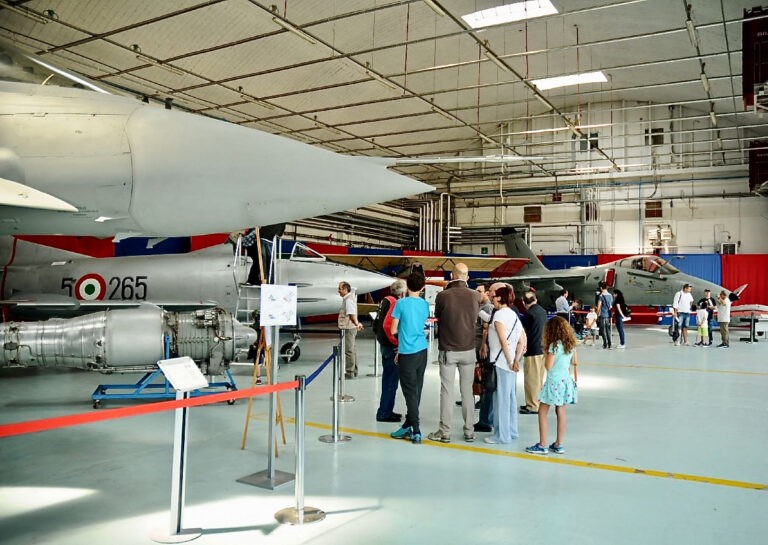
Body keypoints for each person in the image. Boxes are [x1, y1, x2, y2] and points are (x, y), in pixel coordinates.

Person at [428, 263, 482, 444]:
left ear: (452, 276)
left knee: (447, 391)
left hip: (448, 350)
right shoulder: (475, 295)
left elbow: (438, 316)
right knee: (467, 392)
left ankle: (445, 432)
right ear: (467, 277)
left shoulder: (443, 296)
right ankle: (469, 431)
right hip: (468, 350)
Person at [525, 316, 578, 455]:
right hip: (565, 380)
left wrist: (546, 355)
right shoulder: (570, 345)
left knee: (542, 412)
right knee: (561, 411)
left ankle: (542, 444)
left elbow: (548, 366)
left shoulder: (554, 346)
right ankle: (559, 444)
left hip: (553, 381)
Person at [389, 272, 431, 444]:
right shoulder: (425, 304)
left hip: (408, 353)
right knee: (417, 390)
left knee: (409, 392)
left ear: (407, 285)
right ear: (422, 287)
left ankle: (416, 429)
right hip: (422, 350)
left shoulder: (401, 303)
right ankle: (408, 424)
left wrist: (402, 341)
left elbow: (393, 330)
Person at [483, 286, 527, 444]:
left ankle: (501, 435)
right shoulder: (514, 315)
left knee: (500, 400)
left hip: (501, 363)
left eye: (494, 297)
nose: (492, 299)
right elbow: (522, 340)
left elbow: (503, 341)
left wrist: (509, 360)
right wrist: (516, 359)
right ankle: (512, 431)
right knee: (510, 398)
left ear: (500, 299)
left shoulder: (499, 315)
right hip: (511, 365)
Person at [374, 279, 407, 423]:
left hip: (383, 344)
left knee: (388, 380)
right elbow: (389, 326)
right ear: (402, 293)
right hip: (390, 346)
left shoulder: (385, 300)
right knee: (391, 381)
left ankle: (386, 409)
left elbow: (377, 323)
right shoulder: (395, 303)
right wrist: (396, 342)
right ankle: (384, 413)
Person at [519, 291, 547, 415]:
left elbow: (522, 329)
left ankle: (532, 406)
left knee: (531, 379)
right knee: (539, 378)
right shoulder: (542, 311)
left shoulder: (529, 314)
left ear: (524, 303)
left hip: (532, 349)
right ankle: (537, 402)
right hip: (542, 349)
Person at [473, 283, 495, 433]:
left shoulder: (487, 308)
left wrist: (482, 346)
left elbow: (486, 329)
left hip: (482, 348)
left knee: (483, 378)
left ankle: (483, 407)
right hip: (478, 345)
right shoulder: (480, 307)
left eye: (480, 291)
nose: (478, 293)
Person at [337, 281, 363, 378]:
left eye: (340, 289)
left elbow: (352, 314)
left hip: (348, 328)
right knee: (352, 349)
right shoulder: (349, 298)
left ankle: (350, 372)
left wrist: (357, 324)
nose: (338, 291)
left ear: (345, 289)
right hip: (349, 327)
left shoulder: (348, 300)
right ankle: (354, 371)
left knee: (349, 351)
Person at [595, 282, 614, 349]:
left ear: (601, 288)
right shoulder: (610, 295)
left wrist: (596, 314)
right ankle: (610, 344)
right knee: (607, 329)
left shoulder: (601, 296)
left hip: (602, 314)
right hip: (608, 315)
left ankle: (605, 344)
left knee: (602, 330)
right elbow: (611, 305)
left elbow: (599, 306)